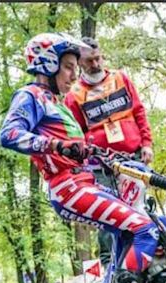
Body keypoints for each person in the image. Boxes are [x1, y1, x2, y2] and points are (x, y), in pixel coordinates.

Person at [0, 32, 162, 283]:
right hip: (68, 187)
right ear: (48, 64)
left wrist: (100, 154)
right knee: (145, 230)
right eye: (69, 67)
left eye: (76, 67)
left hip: (84, 181)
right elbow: (9, 134)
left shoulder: (57, 104)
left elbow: (81, 146)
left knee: (135, 231)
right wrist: (55, 145)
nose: (74, 75)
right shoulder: (31, 95)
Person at [64, 37, 155, 270]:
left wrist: (147, 143)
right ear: (80, 63)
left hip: (132, 156)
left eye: (98, 58)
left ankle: (147, 256)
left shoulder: (120, 78)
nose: (95, 64)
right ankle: (110, 266)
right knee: (108, 213)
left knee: (139, 206)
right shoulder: (74, 95)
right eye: (89, 61)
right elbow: (75, 134)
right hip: (100, 164)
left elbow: (139, 111)